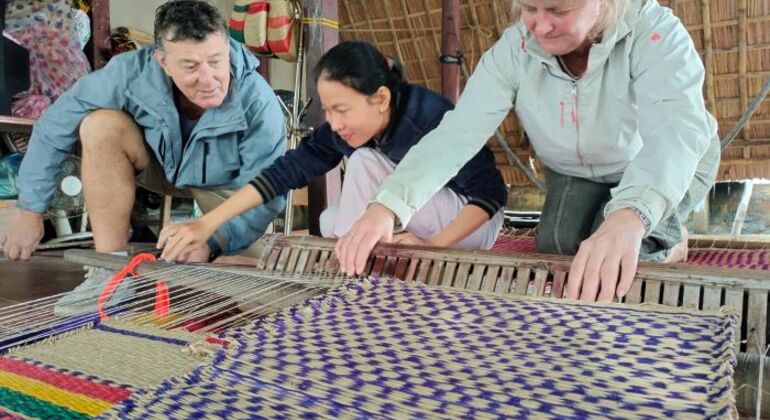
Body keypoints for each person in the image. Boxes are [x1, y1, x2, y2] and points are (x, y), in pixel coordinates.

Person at [335, 0, 720, 302]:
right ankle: (641, 226)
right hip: (581, 172)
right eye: (530, 8)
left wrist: (629, 220)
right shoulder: (515, 49)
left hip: (665, 160)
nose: (540, 25)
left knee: (621, 254)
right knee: (558, 247)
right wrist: (386, 207)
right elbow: (456, 134)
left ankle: (666, 239)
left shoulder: (654, 32)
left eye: (558, 10)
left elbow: (674, 133)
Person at [0, 0, 286, 314]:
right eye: (190, 66)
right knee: (100, 126)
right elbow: (55, 125)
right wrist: (30, 209)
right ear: (162, 61)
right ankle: (112, 274)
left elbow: (267, 190)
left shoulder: (257, 100)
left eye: (216, 61)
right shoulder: (131, 71)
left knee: (259, 296)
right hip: (160, 166)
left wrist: (215, 239)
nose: (208, 78)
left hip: (227, 189)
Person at [156, 40, 507, 261]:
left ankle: (354, 262)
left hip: (466, 225)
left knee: (364, 162)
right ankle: (360, 254)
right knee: (328, 220)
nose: (333, 122)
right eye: (327, 110)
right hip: (413, 219)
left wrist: (434, 248)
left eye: (342, 109)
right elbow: (281, 176)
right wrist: (207, 222)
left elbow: (490, 197)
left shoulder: (428, 117)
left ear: (380, 99)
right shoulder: (347, 129)